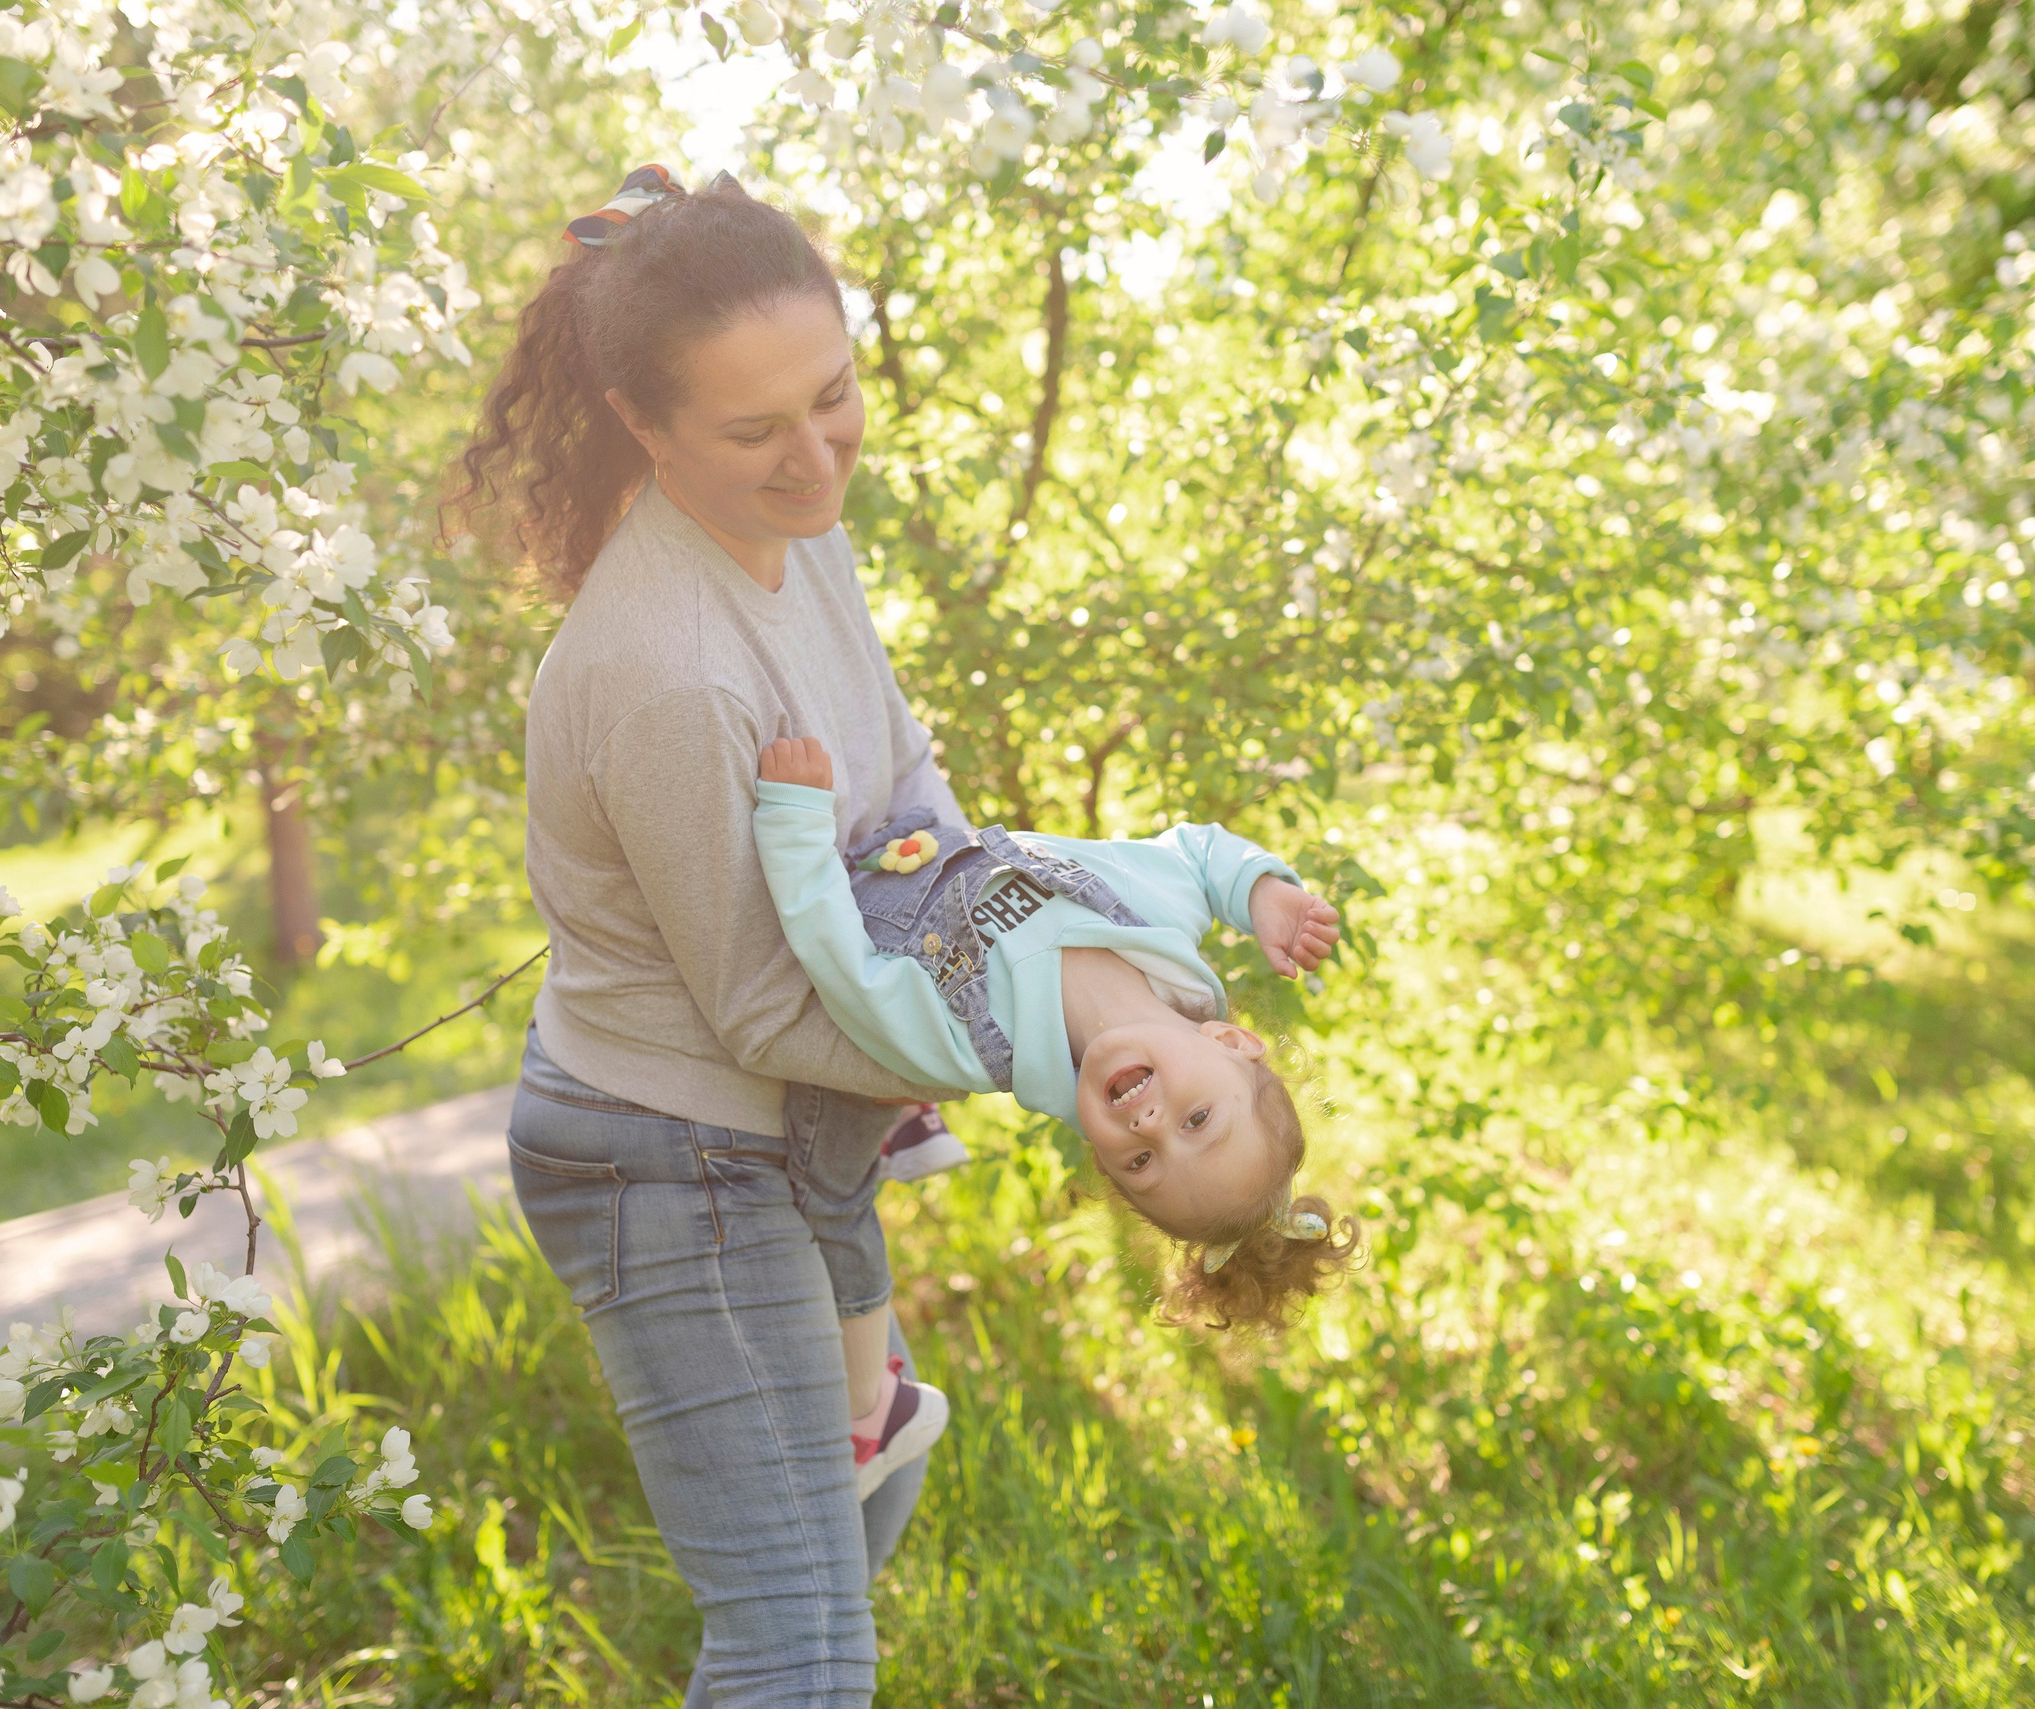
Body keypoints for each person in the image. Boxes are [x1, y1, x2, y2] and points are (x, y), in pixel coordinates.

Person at [456, 164, 959, 1706]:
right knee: (800, 1645)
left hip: (783, 1141)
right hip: (668, 1160)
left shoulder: (803, 535)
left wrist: (1057, 932)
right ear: (643, 423)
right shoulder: (667, 669)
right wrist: (1029, 1048)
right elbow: (757, 1006)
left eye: (835, 395)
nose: (815, 458)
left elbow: (905, 776)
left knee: (853, 1528)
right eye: (755, 431)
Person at [750, 734, 1363, 1338]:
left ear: (1101, 1155)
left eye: (1141, 1160)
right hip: (905, 810)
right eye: (1197, 1121)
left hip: (831, 846)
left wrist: (797, 824)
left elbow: (842, 965)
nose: (1150, 1125)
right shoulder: (1161, 915)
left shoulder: (975, 1043)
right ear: (1230, 1042)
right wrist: (1262, 892)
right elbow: (1197, 856)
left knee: (828, 1185)